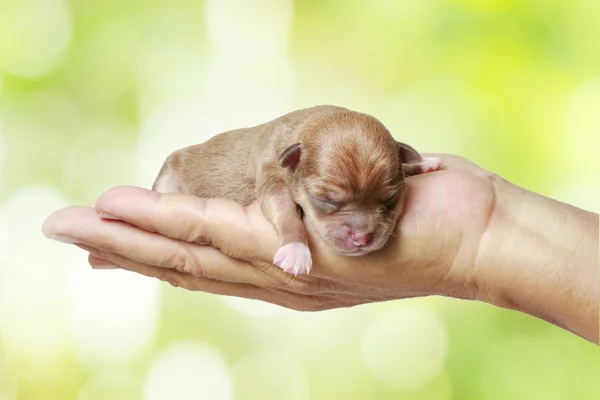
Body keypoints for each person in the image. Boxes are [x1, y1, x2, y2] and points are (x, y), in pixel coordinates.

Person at [42, 154, 599, 344]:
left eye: (386, 204)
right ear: (292, 165)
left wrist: (484, 241)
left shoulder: (391, 162)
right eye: (329, 204)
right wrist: (292, 235)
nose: (359, 232)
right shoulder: (280, 165)